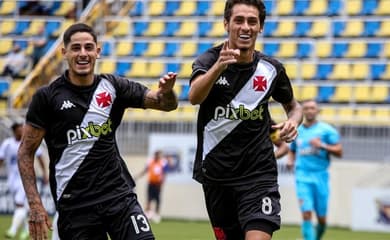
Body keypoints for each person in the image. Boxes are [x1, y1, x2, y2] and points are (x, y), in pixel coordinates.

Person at [17, 22, 178, 240]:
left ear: (98, 51)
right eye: (76, 48)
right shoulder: (46, 98)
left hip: (119, 198)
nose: (83, 54)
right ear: (64, 52)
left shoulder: (114, 87)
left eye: (88, 47)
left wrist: (168, 92)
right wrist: (35, 205)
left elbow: (165, 104)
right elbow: (26, 152)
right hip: (76, 206)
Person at [188, 0, 303, 239]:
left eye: (252, 21)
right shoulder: (208, 60)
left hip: (258, 175)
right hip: (217, 176)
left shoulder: (271, 69)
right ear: (226, 24)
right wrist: (219, 67)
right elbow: (194, 97)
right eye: (239, 20)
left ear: (261, 27)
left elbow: (294, 107)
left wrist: (293, 121)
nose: (245, 27)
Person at [287, 99, 343, 240]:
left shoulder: (327, 130)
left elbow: (339, 151)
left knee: (321, 218)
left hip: (321, 176)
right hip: (302, 176)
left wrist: (322, 145)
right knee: (306, 213)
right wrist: (290, 160)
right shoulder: (297, 131)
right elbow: (292, 150)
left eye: (312, 108)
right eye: (306, 108)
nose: (309, 111)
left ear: (317, 111)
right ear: (302, 111)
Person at [0, 122, 48, 239]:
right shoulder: (7, 144)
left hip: (26, 178)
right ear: (14, 131)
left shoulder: (28, 142)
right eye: (18, 129)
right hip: (12, 180)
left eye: (22, 128)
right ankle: (26, 231)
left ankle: (12, 230)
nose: (21, 130)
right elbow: (1, 159)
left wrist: (45, 172)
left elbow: (40, 156)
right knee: (23, 207)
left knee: (19, 204)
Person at [135, 150, 173, 223]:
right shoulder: (150, 162)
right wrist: (138, 176)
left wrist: (162, 183)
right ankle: (147, 215)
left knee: (157, 200)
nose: (158, 156)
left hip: (158, 184)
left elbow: (165, 173)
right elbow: (145, 170)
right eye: (157, 155)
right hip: (151, 183)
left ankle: (156, 215)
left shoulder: (162, 163)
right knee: (149, 199)